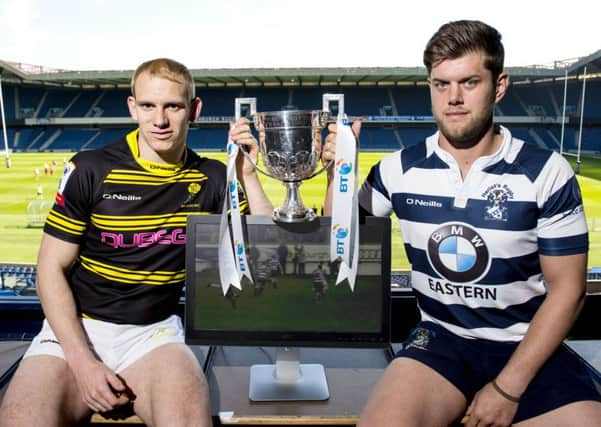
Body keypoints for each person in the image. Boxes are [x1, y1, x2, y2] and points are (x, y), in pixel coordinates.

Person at [326, 20, 601, 427]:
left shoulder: (545, 172)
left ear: (499, 86)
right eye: (441, 84)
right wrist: (339, 171)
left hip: (526, 344)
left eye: (469, 82)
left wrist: (507, 389)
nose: (453, 98)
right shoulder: (397, 170)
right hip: (440, 340)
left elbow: (569, 291)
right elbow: (338, 240)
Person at [0, 58, 274, 427]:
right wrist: (83, 363)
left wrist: (249, 177)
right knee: (21, 419)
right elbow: (50, 269)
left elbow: (268, 249)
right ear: (133, 108)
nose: (159, 120)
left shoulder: (210, 178)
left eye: (173, 106)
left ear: (194, 111)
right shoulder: (90, 169)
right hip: (76, 331)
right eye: (148, 106)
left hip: (153, 333)